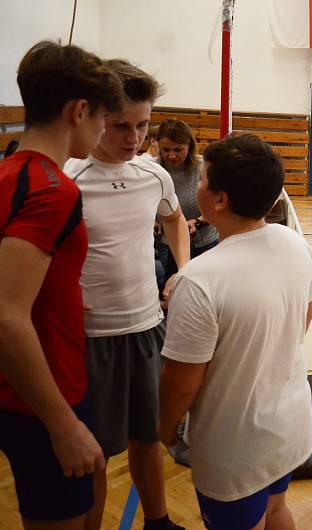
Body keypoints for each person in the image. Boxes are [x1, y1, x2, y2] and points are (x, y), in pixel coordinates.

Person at [158, 134, 312, 530]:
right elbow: (305, 316)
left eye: (203, 179)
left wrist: (163, 428)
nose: (199, 186)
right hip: (288, 426)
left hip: (235, 447)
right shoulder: (292, 242)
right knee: (277, 510)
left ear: (220, 199)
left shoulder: (198, 280)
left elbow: (181, 383)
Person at [0, 41, 122, 530]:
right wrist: (61, 423)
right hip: (43, 395)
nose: (102, 132)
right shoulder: (54, 189)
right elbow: (8, 313)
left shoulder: (9, 172)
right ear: (80, 111)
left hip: (40, 384)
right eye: (102, 120)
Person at [65, 59, 190, 530]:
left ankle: (158, 521)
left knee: (148, 437)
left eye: (142, 126)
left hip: (145, 328)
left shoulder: (153, 175)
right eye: (120, 126)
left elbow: (175, 220)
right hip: (90, 337)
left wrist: (184, 270)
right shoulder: (69, 178)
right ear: (92, 116)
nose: (134, 138)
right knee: (94, 453)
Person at [156, 118, 219, 282]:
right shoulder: (154, 170)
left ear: (189, 146)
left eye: (178, 150)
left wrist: (198, 221)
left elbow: (219, 204)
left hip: (204, 241)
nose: (171, 155)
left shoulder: (203, 167)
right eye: (165, 150)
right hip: (168, 244)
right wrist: (153, 220)